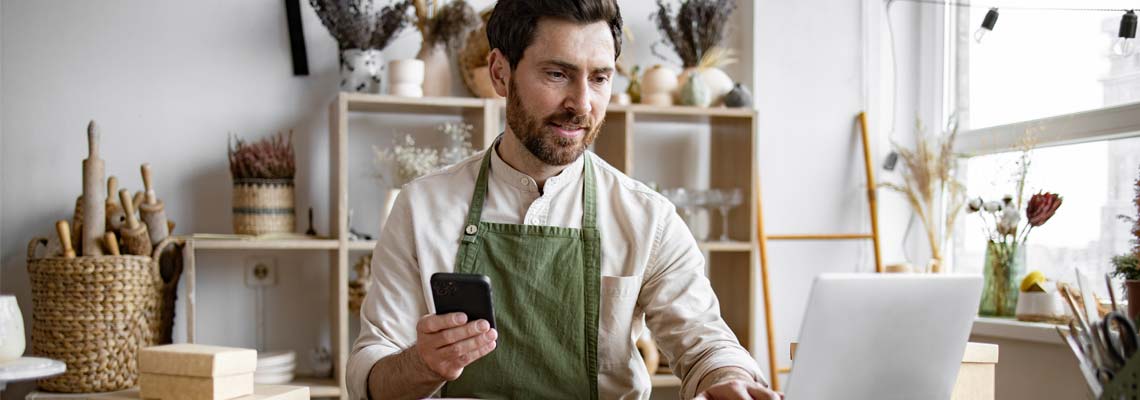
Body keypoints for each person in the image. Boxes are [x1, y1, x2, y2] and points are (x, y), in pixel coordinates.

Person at [348, 1, 777, 398]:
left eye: (600, 78)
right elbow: (370, 375)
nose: (582, 104)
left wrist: (729, 379)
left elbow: (706, 344)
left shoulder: (648, 217)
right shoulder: (421, 207)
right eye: (557, 74)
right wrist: (423, 364)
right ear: (500, 73)